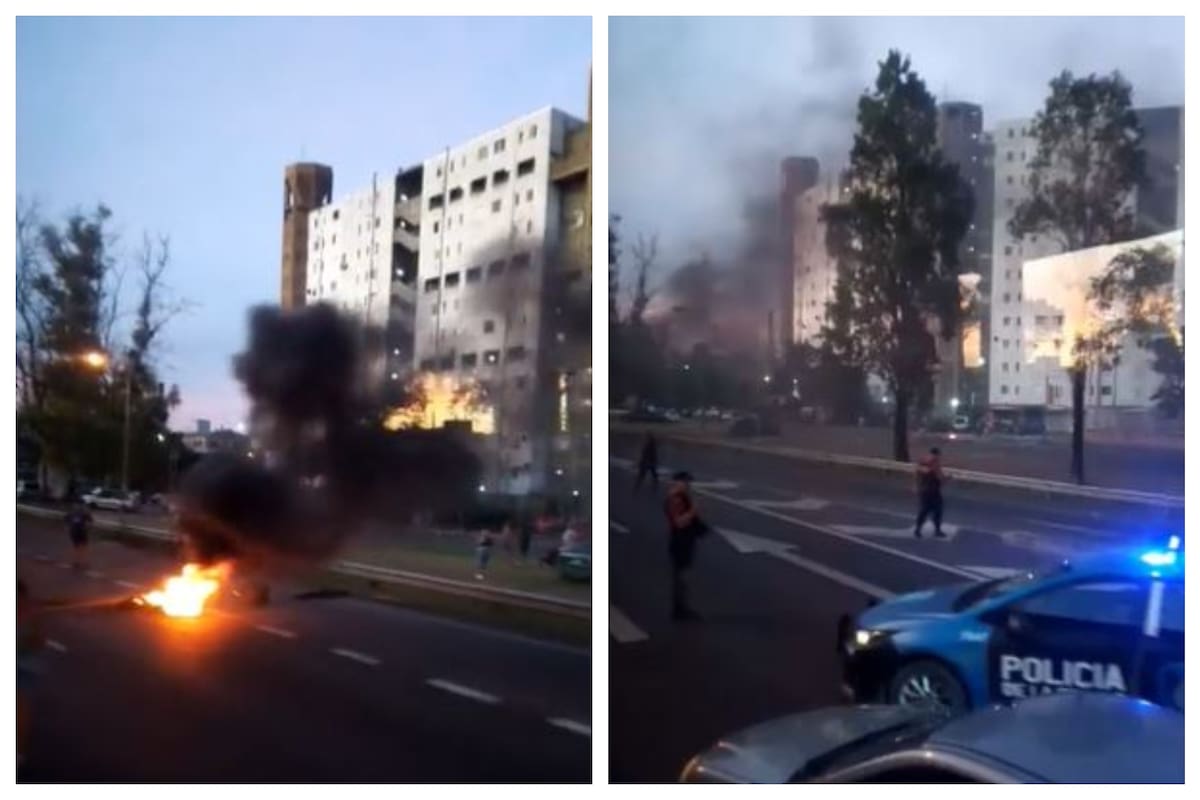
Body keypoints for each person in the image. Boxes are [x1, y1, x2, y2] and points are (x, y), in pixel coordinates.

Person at [665, 471, 706, 620]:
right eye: (686, 482)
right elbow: (679, 522)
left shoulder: (681, 497)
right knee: (681, 578)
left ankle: (681, 609)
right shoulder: (675, 499)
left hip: (684, 542)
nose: (688, 485)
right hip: (680, 543)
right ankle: (679, 611)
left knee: (682, 579)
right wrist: (694, 510)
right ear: (678, 483)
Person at [17, 579, 44, 770]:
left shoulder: (32, 616)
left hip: (24, 667)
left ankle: (17, 755)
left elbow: (36, 642)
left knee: (21, 710)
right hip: (26, 666)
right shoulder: (32, 613)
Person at [913, 447, 947, 539]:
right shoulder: (934, 464)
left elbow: (917, 475)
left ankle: (918, 530)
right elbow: (940, 478)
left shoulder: (921, 462)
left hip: (923, 490)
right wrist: (948, 478)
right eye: (939, 455)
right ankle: (937, 530)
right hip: (933, 491)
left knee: (924, 511)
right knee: (937, 511)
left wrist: (917, 487)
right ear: (937, 454)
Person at [65, 501, 93, 570]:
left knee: (83, 547)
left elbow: (91, 521)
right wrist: (67, 527)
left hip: (82, 532)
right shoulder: (71, 513)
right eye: (75, 505)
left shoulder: (83, 513)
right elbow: (66, 520)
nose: (75, 506)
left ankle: (83, 561)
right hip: (75, 533)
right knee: (77, 547)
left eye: (77, 505)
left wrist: (88, 527)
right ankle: (77, 561)